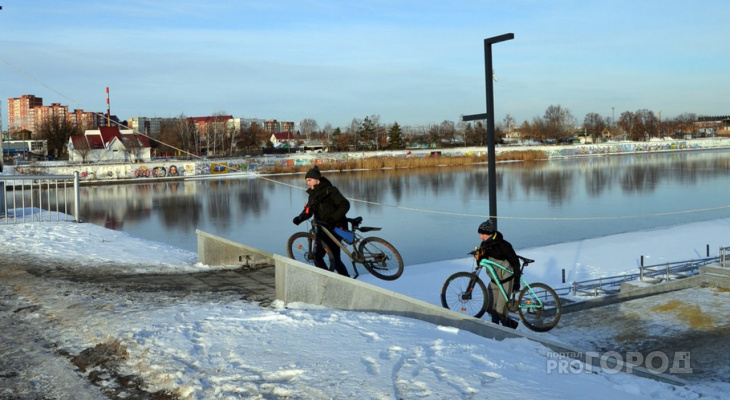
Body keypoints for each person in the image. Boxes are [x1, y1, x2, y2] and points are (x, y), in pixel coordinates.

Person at [292, 165, 351, 277]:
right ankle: (327, 278)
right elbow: (309, 211)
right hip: (322, 231)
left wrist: (333, 218)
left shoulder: (331, 190)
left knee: (335, 259)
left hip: (335, 228)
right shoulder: (312, 196)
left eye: (309, 180)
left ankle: (347, 280)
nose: (307, 183)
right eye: (306, 181)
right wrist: (300, 218)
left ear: (317, 180)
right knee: (317, 257)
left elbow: (345, 205)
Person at [475, 220, 521, 329]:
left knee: (500, 310)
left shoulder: (504, 245)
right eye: (479, 234)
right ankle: (495, 328)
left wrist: (517, 281)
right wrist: (478, 257)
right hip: (494, 281)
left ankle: (507, 330)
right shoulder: (484, 245)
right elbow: (482, 263)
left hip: (506, 280)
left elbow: (515, 262)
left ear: (489, 234)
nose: (480, 237)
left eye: (482, 234)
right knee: (490, 307)